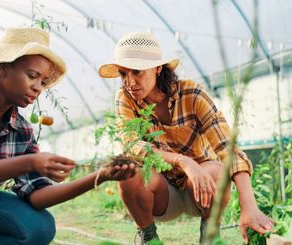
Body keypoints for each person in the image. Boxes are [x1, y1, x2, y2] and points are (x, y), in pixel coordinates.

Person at [0, 27, 136, 245]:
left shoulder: (21, 131)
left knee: (38, 226)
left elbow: (38, 195)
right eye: (32, 76)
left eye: (43, 82)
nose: (37, 88)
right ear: (5, 68)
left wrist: (99, 177)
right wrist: (30, 162)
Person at [98, 31, 274, 244]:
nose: (129, 82)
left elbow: (227, 147)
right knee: (128, 174)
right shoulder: (126, 99)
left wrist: (249, 207)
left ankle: (209, 235)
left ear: (158, 68)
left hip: (200, 189)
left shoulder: (192, 94)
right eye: (123, 74)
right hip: (160, 192)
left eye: (137, 71)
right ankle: (149, 238)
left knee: (218, 173)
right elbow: (133, 143)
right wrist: (183, 160)